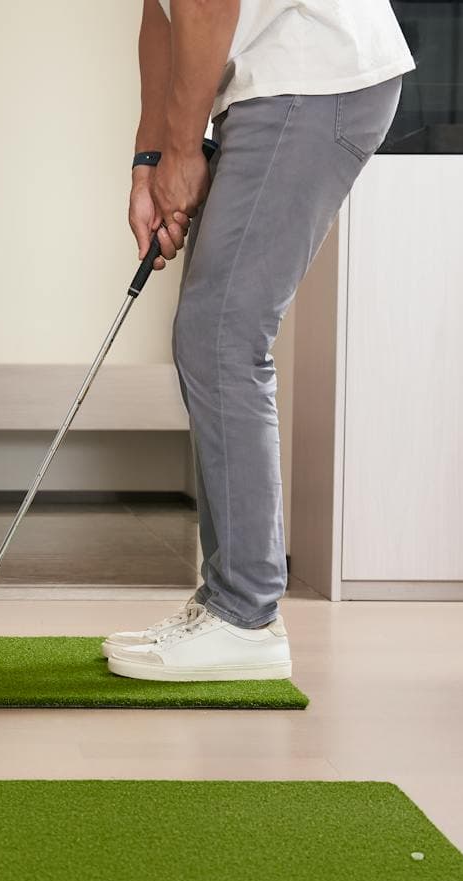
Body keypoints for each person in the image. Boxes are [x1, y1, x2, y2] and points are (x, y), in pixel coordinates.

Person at [105, 0, 411, 683]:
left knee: (221, 332)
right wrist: (149, 161)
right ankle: (226, 600)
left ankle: (247, 617)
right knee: (206, 334)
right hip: (281, 81)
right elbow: (161, 17)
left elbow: (206, 3)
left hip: (314, 76)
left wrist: (185, 151)